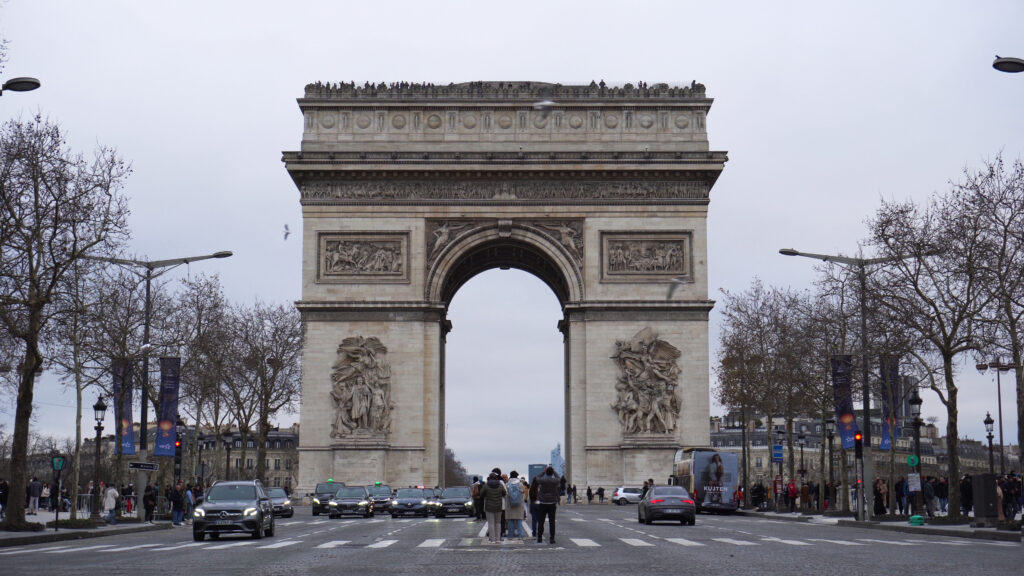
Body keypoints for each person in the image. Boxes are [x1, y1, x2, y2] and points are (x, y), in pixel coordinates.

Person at [535, 465, 560, 545]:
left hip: (543, 502)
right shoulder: (554, 481)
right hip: (552, 503)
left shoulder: (543, 480)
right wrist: (553, 471)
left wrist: (544, 471)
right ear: (552, 473)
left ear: (546, 472)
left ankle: (539, 537)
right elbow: (559, 477)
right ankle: (552, 538)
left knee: (541, 521)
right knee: (552, 522)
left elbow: (537, 477)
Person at [479, 472, 506, 544]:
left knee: (491, 523)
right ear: (496, 478)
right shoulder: (500, 485)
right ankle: (498, 539)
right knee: (498, 523)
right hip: (498, 506)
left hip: (489, 506)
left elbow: (481, 494)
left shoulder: (486, 485)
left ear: (489, 477)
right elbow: (504, 493)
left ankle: (492, 539)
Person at [505, 471, 527, 540]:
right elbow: (523, 492)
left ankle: (510, 535)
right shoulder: (520, 484)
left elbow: (506, 493)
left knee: (510, 520)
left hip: (510, 504)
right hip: (519, 504)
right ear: (517, 476)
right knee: (519, 520)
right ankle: (521, 535)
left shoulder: (507, 484)